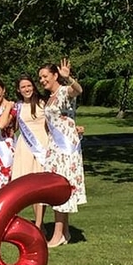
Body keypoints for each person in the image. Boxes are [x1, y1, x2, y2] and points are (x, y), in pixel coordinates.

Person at [39, 59, 87, 247]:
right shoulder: (50, 97)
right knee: (56, 188)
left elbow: (78, 90)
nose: (42, 80)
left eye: (45, 76)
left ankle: (57, 235)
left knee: (60, 188)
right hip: (55, 148)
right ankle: (65, 233)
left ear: (55, 75)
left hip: (65, 149)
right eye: (40, 77)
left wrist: (69, 78)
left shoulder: (64, 92)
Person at [0, 75, 49, 231]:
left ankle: (38, 224)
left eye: (29, 85)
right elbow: (3, 125)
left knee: (40, 186)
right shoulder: (18, 106)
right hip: (25, 148)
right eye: (23, 87)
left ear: (33, 86)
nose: (27, 89)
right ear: (18, 90)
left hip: (42, 146)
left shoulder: (43, 102)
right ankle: (39, 224)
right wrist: (8, 107)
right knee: (30, 186)